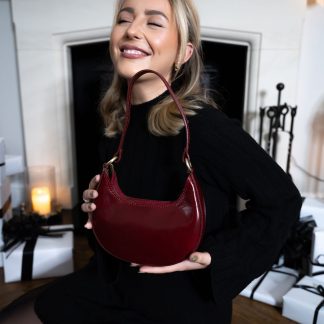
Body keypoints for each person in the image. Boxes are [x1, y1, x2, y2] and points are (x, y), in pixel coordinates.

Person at [0, 0, 302, 323]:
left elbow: (283, 201)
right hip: (114, 285)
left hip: (179, 302)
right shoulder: (117, 122)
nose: (132, 30)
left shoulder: (203, 127)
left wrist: (218, 256)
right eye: (124, 19)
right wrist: (97, 211)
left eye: (154, 23)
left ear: (183, 53)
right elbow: (114, 236)